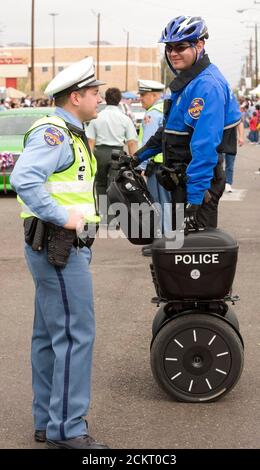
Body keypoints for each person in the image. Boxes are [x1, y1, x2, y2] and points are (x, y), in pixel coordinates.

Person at [10, 57, 109, 449]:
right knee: (73, 335)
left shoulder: (70, 131)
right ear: (75, 97)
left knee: (50, 336)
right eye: (94, 93)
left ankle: (48, 421)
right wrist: (62, 217)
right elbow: (24, 179)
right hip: (58, 247)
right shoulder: (55, 133)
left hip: (55, 247)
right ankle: (66, 430)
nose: (99, 97)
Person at [134, 16, 241, 232]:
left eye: (181, 47)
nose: (173, 53)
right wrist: (137, 157)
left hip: (199, 187)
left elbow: (205, 145)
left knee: (194, 257)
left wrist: (195, 199)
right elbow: (170, 132)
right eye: (169, 47)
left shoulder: (206, 85)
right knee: (176, 256)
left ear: (199, 45)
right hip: (182, 182)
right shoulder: (189, 81)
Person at [86, 87, 138, 226]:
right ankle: (114, 218)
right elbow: (131, 141)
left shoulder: (97, 117)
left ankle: (103, 217)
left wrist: (89, 159)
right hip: (118, 153)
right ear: (119, 99)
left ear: (105, 99)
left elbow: (90, 140)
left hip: (100, 153)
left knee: (101, 185)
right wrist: (134, 161)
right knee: (114, 186)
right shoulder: (125, 118)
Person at [137, 79, 171, 255]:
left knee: (158, 205)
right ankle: (165, 240)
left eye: (143, 95)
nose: (140, 98)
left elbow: (149, 143)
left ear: (154, 95)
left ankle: (162, 243)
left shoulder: (152, 114)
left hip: (156, 167)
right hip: (166, 166)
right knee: (166, 204)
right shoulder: (162, 109)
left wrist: (140, 166)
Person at [223, 122, 244, 193]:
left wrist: (241, 137)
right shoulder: (216, 111)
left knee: (230, 165)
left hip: (231, 141)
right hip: (219, 141)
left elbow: (240, 123)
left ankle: (228, 183)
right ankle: (218, 183)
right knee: (218, 165)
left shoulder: (233, 111)